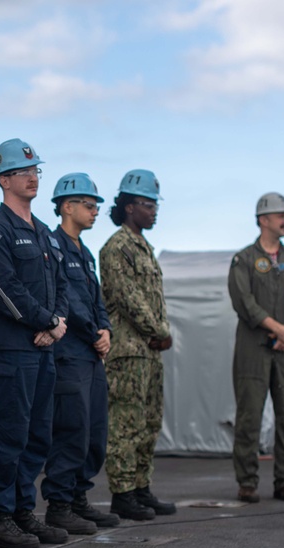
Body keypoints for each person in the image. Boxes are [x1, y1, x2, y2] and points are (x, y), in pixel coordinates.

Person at [0, 139, 70, 548]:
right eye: (23, 172)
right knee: (9, 434)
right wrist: (47, 320)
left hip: (43, 348)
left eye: (35, 171)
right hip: (10, 349)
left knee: (37, 436)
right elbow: (4, 291)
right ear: (3, 179)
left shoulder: (45, 233)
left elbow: (60, 286)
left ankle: (22, 512)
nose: (32, 177)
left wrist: (56, 324)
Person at [228, 192, 284, 503]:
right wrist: (278, 328)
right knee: (249, 415)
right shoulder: (244, 259)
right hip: (254, 347)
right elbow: (244, 303)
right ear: (264, 220)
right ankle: (247, 482)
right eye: (281, 215)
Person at [99, 169, 176, 522]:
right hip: (129, 350)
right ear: (130, 207)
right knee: (125, 424)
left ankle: (142, 487)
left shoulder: (144, 247)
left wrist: (158, 335)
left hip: (149, 351)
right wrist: (160, 330)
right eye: (148, 204)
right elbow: (129, 298)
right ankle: (123, 493)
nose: (155, 211)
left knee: (149, 422)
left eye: (155, 204)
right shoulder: (117, 247)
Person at [48, 173, 120, 533]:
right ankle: (59, 504)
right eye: (89, 206)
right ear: (67, 206)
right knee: (71, 430)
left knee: (94, 431)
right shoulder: (54, 245)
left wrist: (105, 329)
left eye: (96, 206)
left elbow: (95, 300)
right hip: (70, 353)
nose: (95, 212)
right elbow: (69, 302)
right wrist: (94, 333)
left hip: (91, 354)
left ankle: (79, 498)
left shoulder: (85, 252)